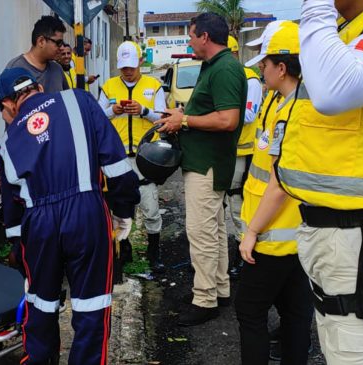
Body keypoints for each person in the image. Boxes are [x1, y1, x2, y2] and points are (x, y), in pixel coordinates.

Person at [276, 0, 363, 363]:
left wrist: (316, 9)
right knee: (339, 345)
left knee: (362, 351)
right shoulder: (349, 32)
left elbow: (332, 92)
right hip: (336, 239)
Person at [0, 67, 139, 364]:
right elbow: (118, 168)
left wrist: (18, 249)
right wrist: (122, 212)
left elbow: (12, 208)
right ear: (36, 87)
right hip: (86, 212)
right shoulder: (80, 101)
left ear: (8, 103)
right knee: (91, 305)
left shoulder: (8, 141)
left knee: (41, 304)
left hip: (38, 222)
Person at [156, 13, 247, 326]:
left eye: (191, 35)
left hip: (208, 165)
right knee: (215, 230)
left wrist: (184, 120)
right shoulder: (214, 66)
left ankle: (204, 299)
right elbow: (211, 112)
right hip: (204, 162)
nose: (189, 41)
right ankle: (218, 289)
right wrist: (181, 114)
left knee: (201, 233)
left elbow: (228, 119)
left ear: (205, 37)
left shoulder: (225, 69)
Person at [233, 21, 314, 365]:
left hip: (271, 237)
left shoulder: (293, 112)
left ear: (282, 68)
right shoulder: (282, 102)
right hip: (297, 236)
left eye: (264, 64)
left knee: (250, 312)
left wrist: (251, 232)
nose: (260, 70)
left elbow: (279, 183)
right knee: (296, 314)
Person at [98, 41, 167, 272]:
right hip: (117, 158)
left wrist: (143, 111)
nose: (127, 71)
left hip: (145, 157)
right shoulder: (108, 87)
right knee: (120, 207)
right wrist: (112, 111)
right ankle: (123, 250)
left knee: (150, 205)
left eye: (131, 66)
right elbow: (97, 117)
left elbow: (162, 118)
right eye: (123, 67)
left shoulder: (153, 85)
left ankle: (154, 253)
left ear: (140, 61)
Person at [226, 35, 263, 279]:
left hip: (244, 151)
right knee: (227, 204)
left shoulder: (250, 81)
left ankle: (246, 257)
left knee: (239, 204)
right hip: (227, 150)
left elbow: (248, 115)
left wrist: (221, 111)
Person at [6, 15, 69, 92]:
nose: (62, 48)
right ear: (41, 41)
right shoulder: (15, 69)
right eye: (58, 43)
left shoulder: (57, 69)